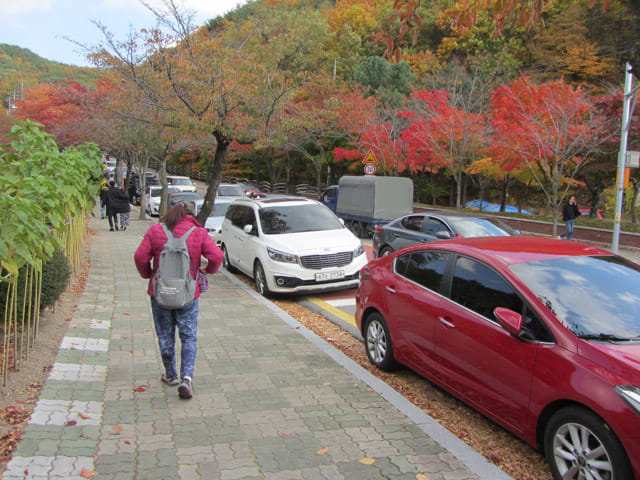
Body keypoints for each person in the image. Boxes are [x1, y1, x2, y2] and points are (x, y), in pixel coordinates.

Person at [134, 203, 223, 399]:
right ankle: (187, 378)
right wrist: (209, 270)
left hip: (160, 293)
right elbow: (216, 256)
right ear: (190, 215)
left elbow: (140, 256)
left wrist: (148, 274)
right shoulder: (198, 232)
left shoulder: (156, 230)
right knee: (188, 335)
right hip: (188, 293)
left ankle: (171, 374)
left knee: (165, 335)